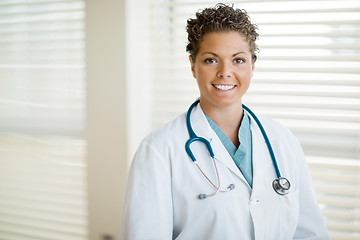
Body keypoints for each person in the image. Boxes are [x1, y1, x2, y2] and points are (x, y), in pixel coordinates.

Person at [121, 3, 329, 240]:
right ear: (192, 66)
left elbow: (310, 234)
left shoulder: (282, 140)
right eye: (211, 60)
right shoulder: (159, 149)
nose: (225, 72)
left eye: (238, 60)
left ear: (253, 65)